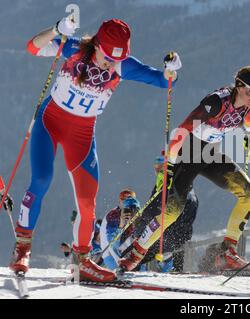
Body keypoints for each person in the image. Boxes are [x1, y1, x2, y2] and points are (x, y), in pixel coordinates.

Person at [9, 15, 182, 282]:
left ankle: (83, 262)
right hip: (50, 123)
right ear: (97, 45)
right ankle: (22, 248)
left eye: (116, 59)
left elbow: (163, 81)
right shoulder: (74, 48)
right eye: (107, 57)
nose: (110, 63)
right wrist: (56, 29)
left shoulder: (123, 66)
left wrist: (172, 70)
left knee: (87, 202)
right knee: (41, 180)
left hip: (82, 134)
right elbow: (32, 47)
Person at [118, 66, 250, 273]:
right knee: (173, 211)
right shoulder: (216, 102)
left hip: (210, 154)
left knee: (249, 194)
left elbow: (249, 124)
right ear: (240, 86)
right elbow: (182, 129)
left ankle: (227, 251)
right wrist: (169, 161)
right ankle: (136, 254)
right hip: (187, 153)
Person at [132, 155, 199, 272]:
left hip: (165, 238)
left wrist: (138, 231)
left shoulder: (165, 185)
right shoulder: (189, 189)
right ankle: (176, 273)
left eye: (160, 166)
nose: (157, 169)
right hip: (180, 238)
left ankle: (126, 270)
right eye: (156, 166)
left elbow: (151, 211)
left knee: (137, 252)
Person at [100, 195, 140, 270]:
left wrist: (135, 223)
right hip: (112, 255)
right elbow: (111, 241)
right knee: (115, 243)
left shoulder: (140, 218)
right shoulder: (114, 216)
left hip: (130, 251)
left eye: (135, 210)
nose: (131, 213)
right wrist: (121, 225)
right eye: (128, 210)